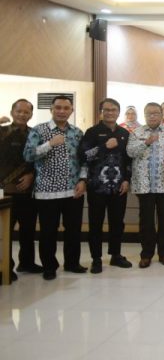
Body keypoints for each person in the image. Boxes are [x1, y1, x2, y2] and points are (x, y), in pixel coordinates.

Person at [23, 95, 85, 280]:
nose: (62, 111)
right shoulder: (39, 130)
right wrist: (49, 144)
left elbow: (83, 160)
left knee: (73, 230)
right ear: (51, 109)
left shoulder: (77, 132)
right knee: (48, 231)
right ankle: (49, 266)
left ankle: (72, 263)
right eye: (58, 107)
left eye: (66, 108)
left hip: (73, 190)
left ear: (71, 110)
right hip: (46, 191)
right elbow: (28, 155)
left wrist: (83, 180)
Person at [78, 98, 133, 273]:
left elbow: (128, 160)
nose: (110, 113)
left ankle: (116, 255)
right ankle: (96, 259)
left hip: (119, 187)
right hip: (97, 186)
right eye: (106, 110)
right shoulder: (92, 132)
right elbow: (83, 156)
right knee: (95, 223)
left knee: (117, 223)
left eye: (113, 110)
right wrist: (104, 146)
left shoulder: (124, 133)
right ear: (101, 112)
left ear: (118, 112)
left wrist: (127, 179)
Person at [127, 102, 164, 268]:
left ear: (162, 114)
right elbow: (130, 152)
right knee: (146, 222)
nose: (152, 116)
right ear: (144, 115)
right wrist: (146, 142)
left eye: (156, 113)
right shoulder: (137, 132)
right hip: (144, 185)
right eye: (149, 113)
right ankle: (146, 254)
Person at [0, 99, 41, 279]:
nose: (22, 115)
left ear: (31, 114)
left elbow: (40, 159)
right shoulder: (2, 131)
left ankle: (27, 262)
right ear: (12, 112)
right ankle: (5, 267)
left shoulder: (35, 134)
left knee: (28, 230)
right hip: (5, 191)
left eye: (26, 112)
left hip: (28, 190)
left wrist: (32, 175)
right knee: (4, 233)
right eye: (19, 111)